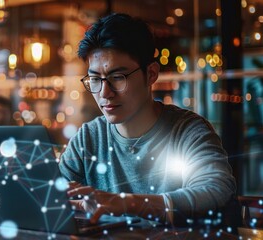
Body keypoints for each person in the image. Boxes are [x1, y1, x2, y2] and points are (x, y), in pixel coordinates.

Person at [59, 13, 238, 226]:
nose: (105, 93)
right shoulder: (89, 137)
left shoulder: (188, 131)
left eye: (118, 77)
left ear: (151, 74)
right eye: (96, 79)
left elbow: (216, 190)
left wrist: (127, 203)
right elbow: (52, 195)